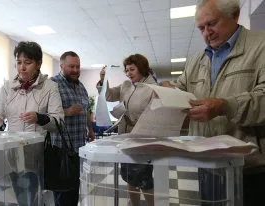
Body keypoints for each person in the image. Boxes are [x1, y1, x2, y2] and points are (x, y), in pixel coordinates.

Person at [161, 0, 265, 205]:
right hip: (205, 165)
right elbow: (182, 89)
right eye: (201, 28)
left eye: (212, 24)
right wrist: (168, 92)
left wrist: (224, 105)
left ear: (234, 15)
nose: (206, 33)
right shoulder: (195, 60)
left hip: (249, 168)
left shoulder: (260, 46)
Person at [0, 41, 64, 206]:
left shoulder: (50, 87)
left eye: (28, 62)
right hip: (13, 154)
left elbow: (58, 121)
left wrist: (40, 118)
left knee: (35, 198)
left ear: (38, 64)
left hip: (38, 154)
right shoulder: (8, 87)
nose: (22, 67)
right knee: (21, 197)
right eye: (19, 62)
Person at [99, 54, 157, 206]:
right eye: (126, 70)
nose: (128, 73)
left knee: (144, 179)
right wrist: (103, 81)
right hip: (124, 137)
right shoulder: (126, 85)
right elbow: (109, 95)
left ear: (142, 68)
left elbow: (157, 114)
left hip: (142, 139)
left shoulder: (153, 88)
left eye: (132, 69)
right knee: (129, 175)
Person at [50, 51, 94, 206]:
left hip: (79, 148)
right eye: (71, 67)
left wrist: (90, 129)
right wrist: (67, 111)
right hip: (61, 149)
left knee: (75, 189)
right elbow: (44, 114)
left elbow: (86, 110)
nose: (76, 70)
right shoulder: (52, 84)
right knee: (63, 193)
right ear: (61, 66)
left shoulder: (81, 86)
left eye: (78, 66)